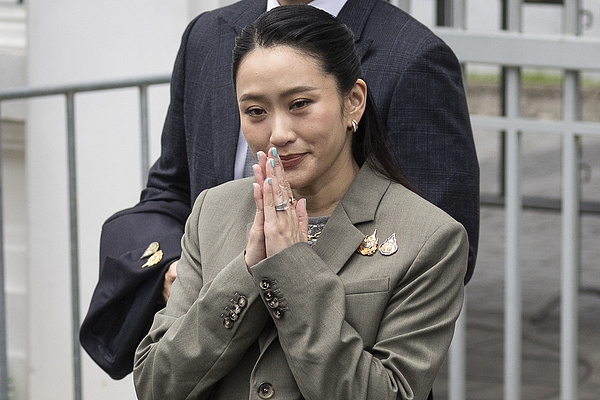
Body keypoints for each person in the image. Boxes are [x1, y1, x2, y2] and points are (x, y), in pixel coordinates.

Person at [80, 0, 478, 382]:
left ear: (354, 100)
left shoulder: (414, 54)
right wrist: (184, 271)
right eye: (255, 111)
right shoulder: (208, 35)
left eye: (300, 103)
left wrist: (294, 273)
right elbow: (172, 187)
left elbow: (432, 242)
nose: (279, 134)